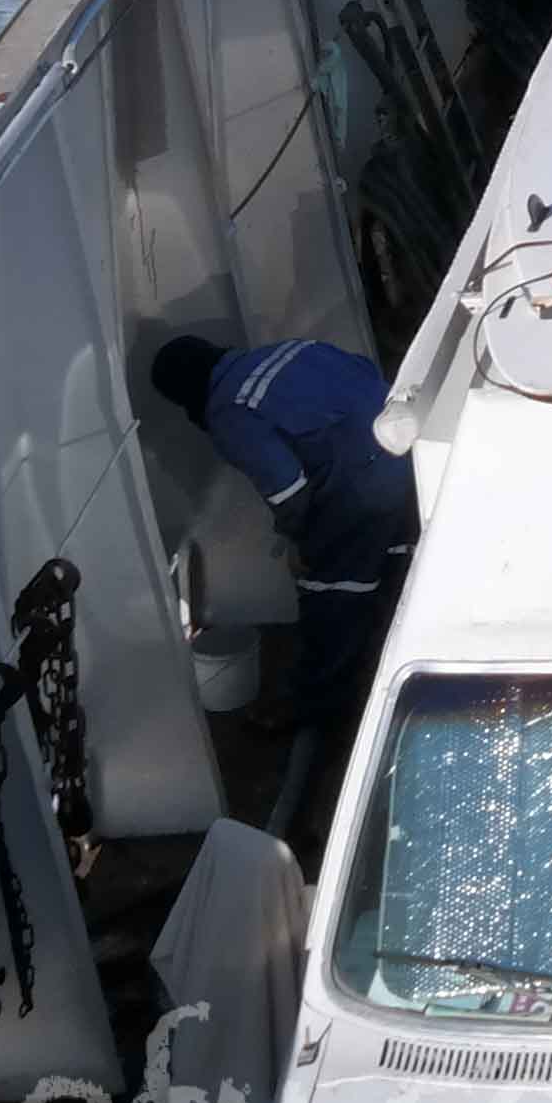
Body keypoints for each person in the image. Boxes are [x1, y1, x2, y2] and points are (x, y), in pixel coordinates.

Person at [153, 333, 420, 838]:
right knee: (393, 560)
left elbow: (290, 491)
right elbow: (364, 371)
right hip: (405, 446)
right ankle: (389, 642)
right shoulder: (289, 350)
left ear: (186, 396)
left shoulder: (228, 411)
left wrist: (298, 542)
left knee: (330, 593)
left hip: (363, 481)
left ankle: (319, 705)